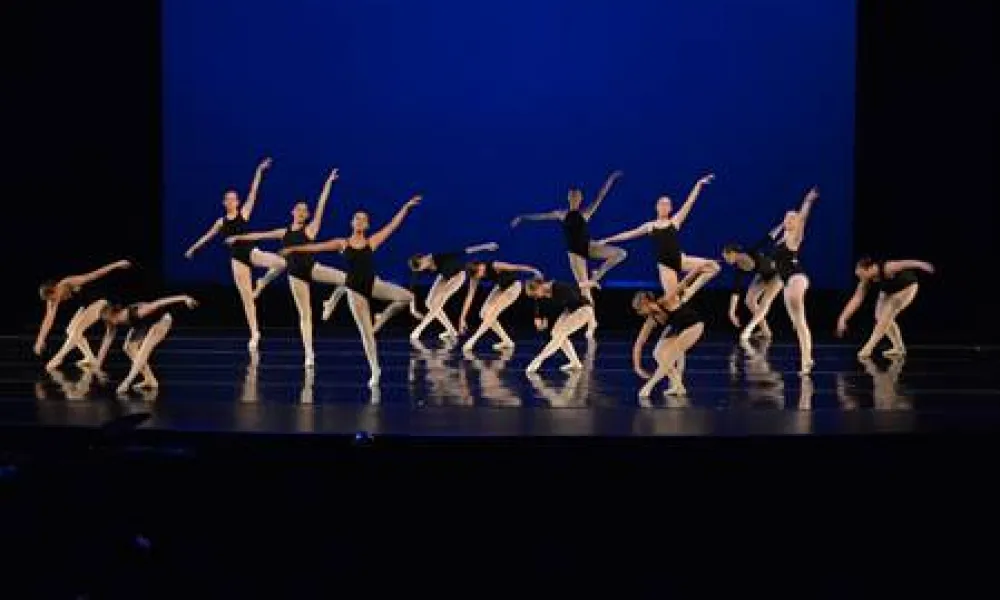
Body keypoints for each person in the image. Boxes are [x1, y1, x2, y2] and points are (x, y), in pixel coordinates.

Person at [280, 195, 423, 387]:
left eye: (363, 219)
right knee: (367, 334)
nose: (359, 221)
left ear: (367, 225)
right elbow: (316, 247)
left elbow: (392, 226)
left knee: (407, 297)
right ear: (351, 223)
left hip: (372, 284)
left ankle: (380, 317)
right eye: (356, 218)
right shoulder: (342, 243)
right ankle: (375, 369)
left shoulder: (372, 242)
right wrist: (293, 250)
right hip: (355, 292)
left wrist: (405, 208)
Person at [225, 168, 344, 367]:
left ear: (307, 215)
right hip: (296, 276)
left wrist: (329, 183)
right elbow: (259, 235)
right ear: (292, 212)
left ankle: (330, 302)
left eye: (305, 210)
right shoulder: (283, 232)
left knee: (348, 280)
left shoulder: (311, 228)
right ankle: (309, 354)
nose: (302, 212)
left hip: (313, 268)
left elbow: (322, 204)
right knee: (305, 315)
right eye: (298, 209)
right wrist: (238, 237)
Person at [183, 158, 286, 351]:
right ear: (224, 202)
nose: (231, 201)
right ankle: (254, 333)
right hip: (237, 260)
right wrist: (193, 249)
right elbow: (207, 236)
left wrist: (259, 171)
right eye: (228, 199)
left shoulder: (244, 213)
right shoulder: (221, 222)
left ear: (237, 202)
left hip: (252, 252)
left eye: (234, 198)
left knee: (282, 263)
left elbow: (254, 191)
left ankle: (262, 282)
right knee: (247, 298)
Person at [510, 170, 626, 337]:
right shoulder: (561, 213)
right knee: (585, 288)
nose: (575, 199)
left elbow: (601, 196)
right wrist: (522, 217)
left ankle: (598, 274)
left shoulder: (586, 212)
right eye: (572, 196)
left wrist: (611, 179)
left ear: (581, 199)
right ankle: (592, 322)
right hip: (575, 253)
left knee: (621, 253)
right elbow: (541, 216)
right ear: (569, 198)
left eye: (577, 197)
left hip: (588, 246)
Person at [595, 173, 719, 301]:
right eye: (661, 204)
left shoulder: (675, 221)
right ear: (656, 207)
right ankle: (678, 308)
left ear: (670, 208)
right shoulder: (650, 226)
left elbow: (690, 202)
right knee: (673, 300)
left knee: (713, 267)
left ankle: (689, 292)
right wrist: (608, 239)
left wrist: (698, 184)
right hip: (665, 266)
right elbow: (628, 234)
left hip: (680, 260)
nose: (664, 206)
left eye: (667, 204)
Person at [630, 264, 713, 398]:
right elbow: (639, 343)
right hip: (678, 328)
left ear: (646, 303)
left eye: (640, 309)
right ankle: (678, 385)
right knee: (657, 353)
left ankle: (649, 386)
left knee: (672, 353)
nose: (639, 313)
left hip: (694, 325)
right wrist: (637, 367)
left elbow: (683, 283)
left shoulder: (666, 300)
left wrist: (697, 270)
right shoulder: (651, 320)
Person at [35, 259, 132, 371]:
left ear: (56, 288)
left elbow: (95, 274)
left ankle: (58, 358)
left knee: (77, 330)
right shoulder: (52, 299)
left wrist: (116, 264)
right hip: (87, 304)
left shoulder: (69, 282)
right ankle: (90, 357)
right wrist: (40, 339)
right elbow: (48, 319)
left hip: (101, 299)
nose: (54, 301)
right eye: (51, 300)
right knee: (70, 330)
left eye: (54, 298)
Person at [836, 256, 935, 358]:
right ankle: (899, 347)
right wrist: (843, 319)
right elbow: (856, 299)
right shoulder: (865, 281)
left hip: (907, 286)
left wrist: (922, 264)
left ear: (868, 269)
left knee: (887, 313)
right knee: (879, 316)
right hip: (888, 289)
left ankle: (869, 347)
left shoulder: (887, 267)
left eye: (860, 274)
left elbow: (905, 263)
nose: (860, 278)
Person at [100, 295, 199, 395]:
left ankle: (128, 381)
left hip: (161, 320)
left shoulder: (138, 311)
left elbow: (160, 302)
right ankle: (150, 380)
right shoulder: (113, 322)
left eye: (107, 320)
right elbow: (107, 341)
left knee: (144, 350)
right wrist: (97, 366)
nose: (107, 323)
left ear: (115, 314)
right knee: (128, 348)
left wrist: (184, 298)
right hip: (143, 323)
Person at [768, 187, 820, 374]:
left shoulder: (794, 237)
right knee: (798, 323)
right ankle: (808, 358)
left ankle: (806, 360)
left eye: (792, 218)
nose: (788, 220)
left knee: (800, 321)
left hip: (796, 278)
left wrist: (807, 202)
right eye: (786, 217)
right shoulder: (782, 238)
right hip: (788, 281)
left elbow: (803, 218)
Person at [407, 242, 499, 342]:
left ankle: (419, 330)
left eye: (421, 267)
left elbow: (464, 251)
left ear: (423, 258)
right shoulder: (419, 266)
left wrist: (486, 246)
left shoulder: (441, 257)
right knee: (429, 303)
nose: (422, 270)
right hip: (445, 275)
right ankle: (451, 331)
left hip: (458, 275)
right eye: (419, 270)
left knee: (437, 302)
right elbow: (412, 287)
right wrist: (413, 309)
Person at [458, 260, 543, 352]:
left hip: (513, 287)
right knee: (483, 314)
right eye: (477, 275)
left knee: (491, 313)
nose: (481, 276)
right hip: (501, 287)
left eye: (480, 272)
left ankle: (472, 340)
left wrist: (534, 270)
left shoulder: (495, 265)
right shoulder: (474, 276)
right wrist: (462, 318)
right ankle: (507, 341)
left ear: (480, 266)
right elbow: (470, 296)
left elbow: (515, 267)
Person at [721, 226, 783, 342]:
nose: (725, 260)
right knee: (749, 300)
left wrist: (782, 225)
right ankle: (766, 331)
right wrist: (731, 312)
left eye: (726, 256)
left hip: (777, 275)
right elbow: (736, 291)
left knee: (765, 301)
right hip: (763, 276)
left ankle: (748, 329)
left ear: (733, 253)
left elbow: (769, 237)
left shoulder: (752, 251)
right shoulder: (739, 269)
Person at [523, 279, 597, 373]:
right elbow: (539, 307)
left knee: (560, 334)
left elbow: (575, 287)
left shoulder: (558, 287)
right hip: (570, 310)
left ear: (540, 286)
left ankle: (537, 360)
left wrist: (591, 323)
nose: (536, 297)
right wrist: (539, 318)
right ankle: (575, 363)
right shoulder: (544, 294)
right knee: (555, 333)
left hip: (583, 309)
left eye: (535, 294)